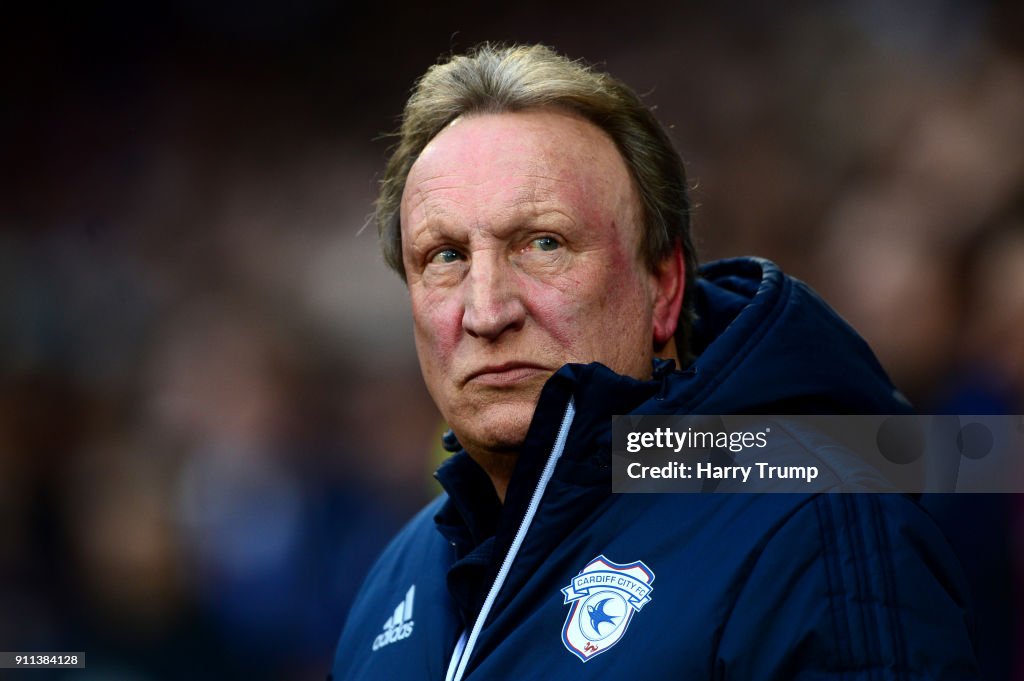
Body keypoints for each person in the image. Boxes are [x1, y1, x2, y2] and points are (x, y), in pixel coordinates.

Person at [330, 44, 979, 680]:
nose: (486, 310)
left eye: (543, 242)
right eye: (444, 256)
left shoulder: (814, 530)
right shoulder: (398, 574)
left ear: (663, 287)